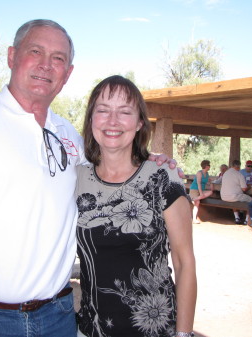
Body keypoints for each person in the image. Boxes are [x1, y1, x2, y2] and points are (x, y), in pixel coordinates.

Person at [0, 20, 177, 337]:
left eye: (58, 58)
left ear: (68, 73)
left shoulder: (70, 136)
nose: (46, 65)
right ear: (12, 56)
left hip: (59, 317)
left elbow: (112, 166)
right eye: (35, 51)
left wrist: (150, 161)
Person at [75, 76, 196, 337]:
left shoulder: (162, 176)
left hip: (156, 328)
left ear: (140, 122)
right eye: (103, 110)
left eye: (125, 112)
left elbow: (184, 262)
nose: (112, 121)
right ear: (91, 120)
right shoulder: (76, 179)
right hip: (92, 329)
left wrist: (184, 334)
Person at [220, 160, 252, 224]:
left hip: (223, 196)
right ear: (239, 167)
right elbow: (244, 189)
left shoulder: (225, 173)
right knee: (251, 200)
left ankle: (237, 217)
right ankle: (246, 219)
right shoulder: (239, 175)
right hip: (234, 197)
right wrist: (249, 186)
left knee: (235, 197)